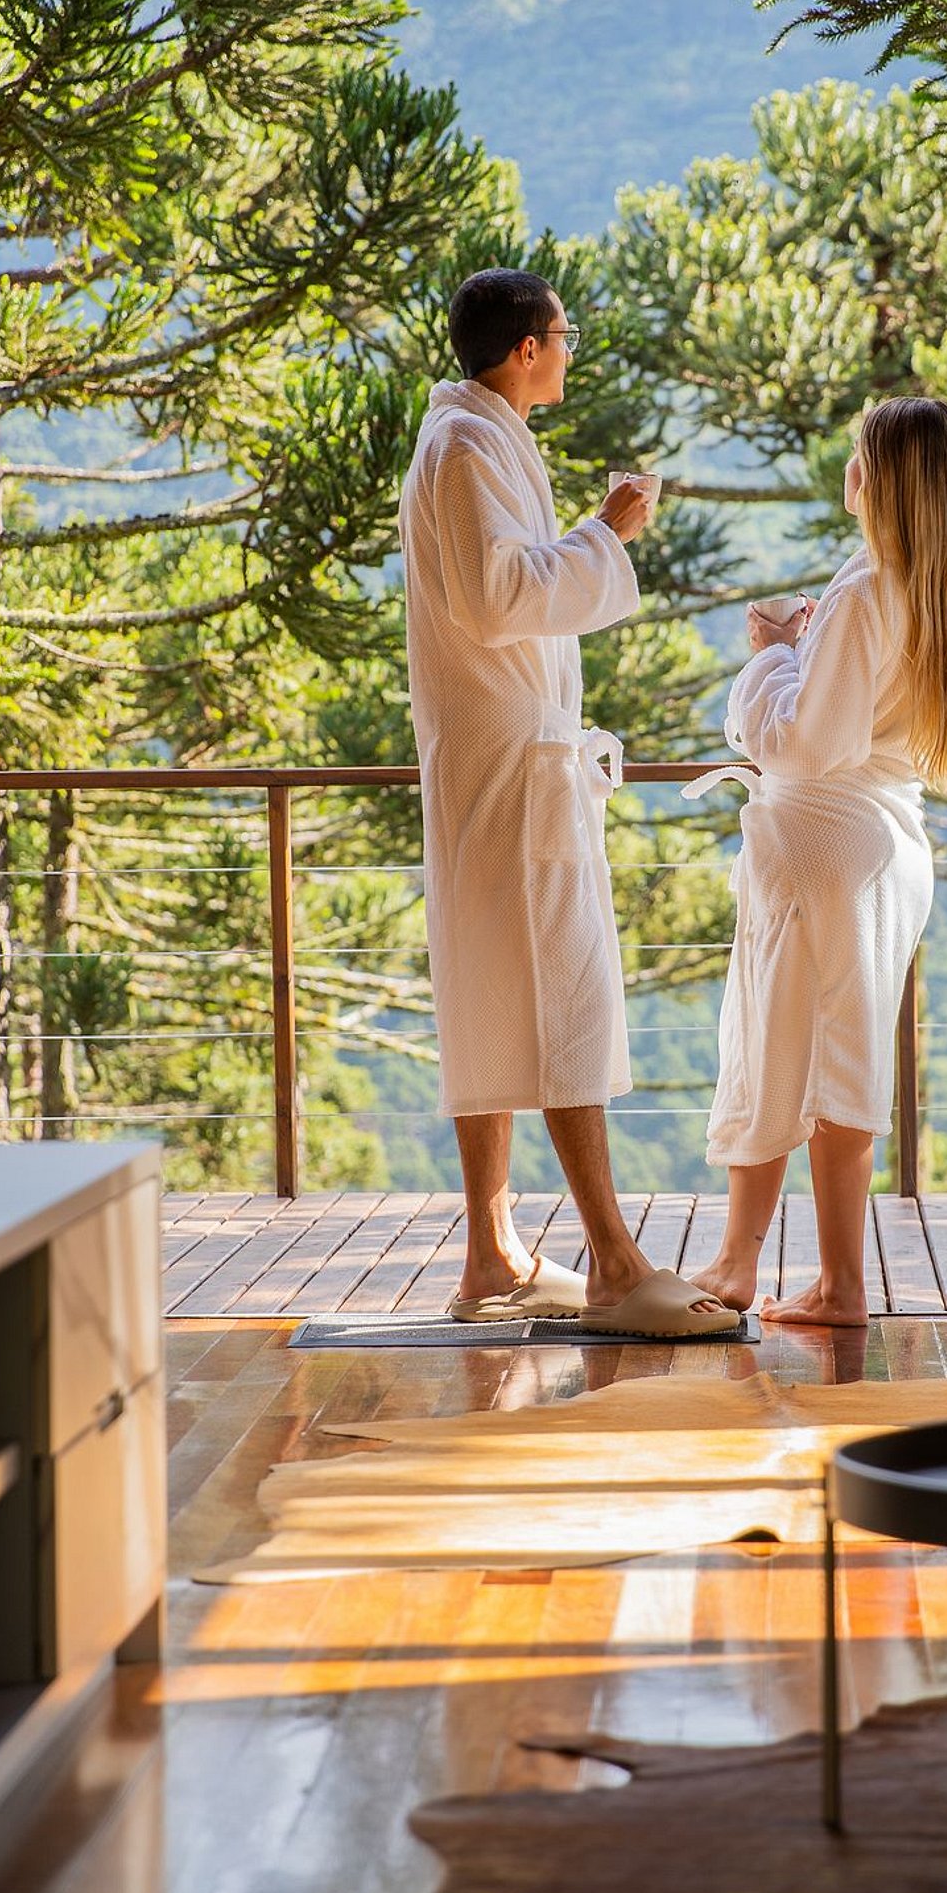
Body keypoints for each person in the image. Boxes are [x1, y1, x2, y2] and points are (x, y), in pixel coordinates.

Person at [399, 267, 741, 1335]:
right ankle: (612, 1263)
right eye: (564, 334)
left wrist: (590, 535)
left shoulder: (476, 437)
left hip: (501, 758)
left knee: (499, 990)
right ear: (527, 349)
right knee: (561, 993)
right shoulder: (466, 448)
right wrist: (606, 534)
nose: (570, 349)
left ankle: (492, 1256)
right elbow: (498, 599)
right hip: (511, 766)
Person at [690, 397, 947, 1327]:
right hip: (888, 850)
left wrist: (774, 655)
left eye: (859, 454)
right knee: (843, 1064)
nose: (849, 470)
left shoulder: (866, 590)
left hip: (821, 853)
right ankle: (830, 1282)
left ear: (878, 477)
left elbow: (805, 745)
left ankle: (760, 1270)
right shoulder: (939, 586)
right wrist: (809, 651)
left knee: (776, 1051)